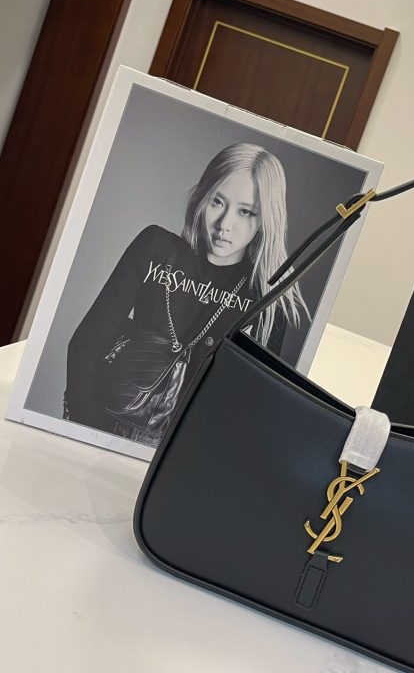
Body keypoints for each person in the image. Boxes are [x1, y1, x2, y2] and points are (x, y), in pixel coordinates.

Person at [65, 143, 310, 446]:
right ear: (202, 197)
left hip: (181, 450)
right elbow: (85, 344)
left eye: (245, 211)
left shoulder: (269, 299)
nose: (225, 225)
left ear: (266, 219)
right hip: (103, 427)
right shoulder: (155, 247)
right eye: (218, 202)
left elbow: (252, 407)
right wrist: (87, 433)